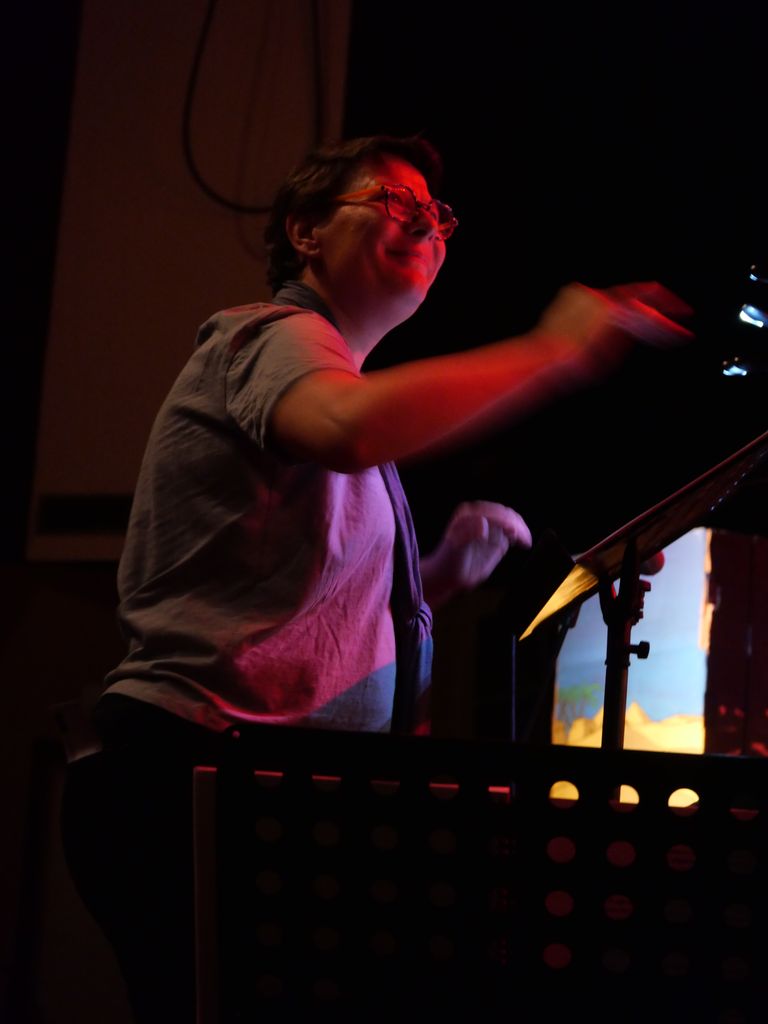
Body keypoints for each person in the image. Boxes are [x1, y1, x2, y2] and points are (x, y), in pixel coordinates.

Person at [60, 134, 692, 1023]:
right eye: (394, 201)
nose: (425, 224)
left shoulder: (326, 382)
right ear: (306, 232)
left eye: (437, 214)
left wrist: (437, 578)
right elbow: (349, 428)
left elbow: (296, 610)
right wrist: (555, 350)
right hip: (194, 775)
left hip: (262, 784)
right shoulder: (267, 336)